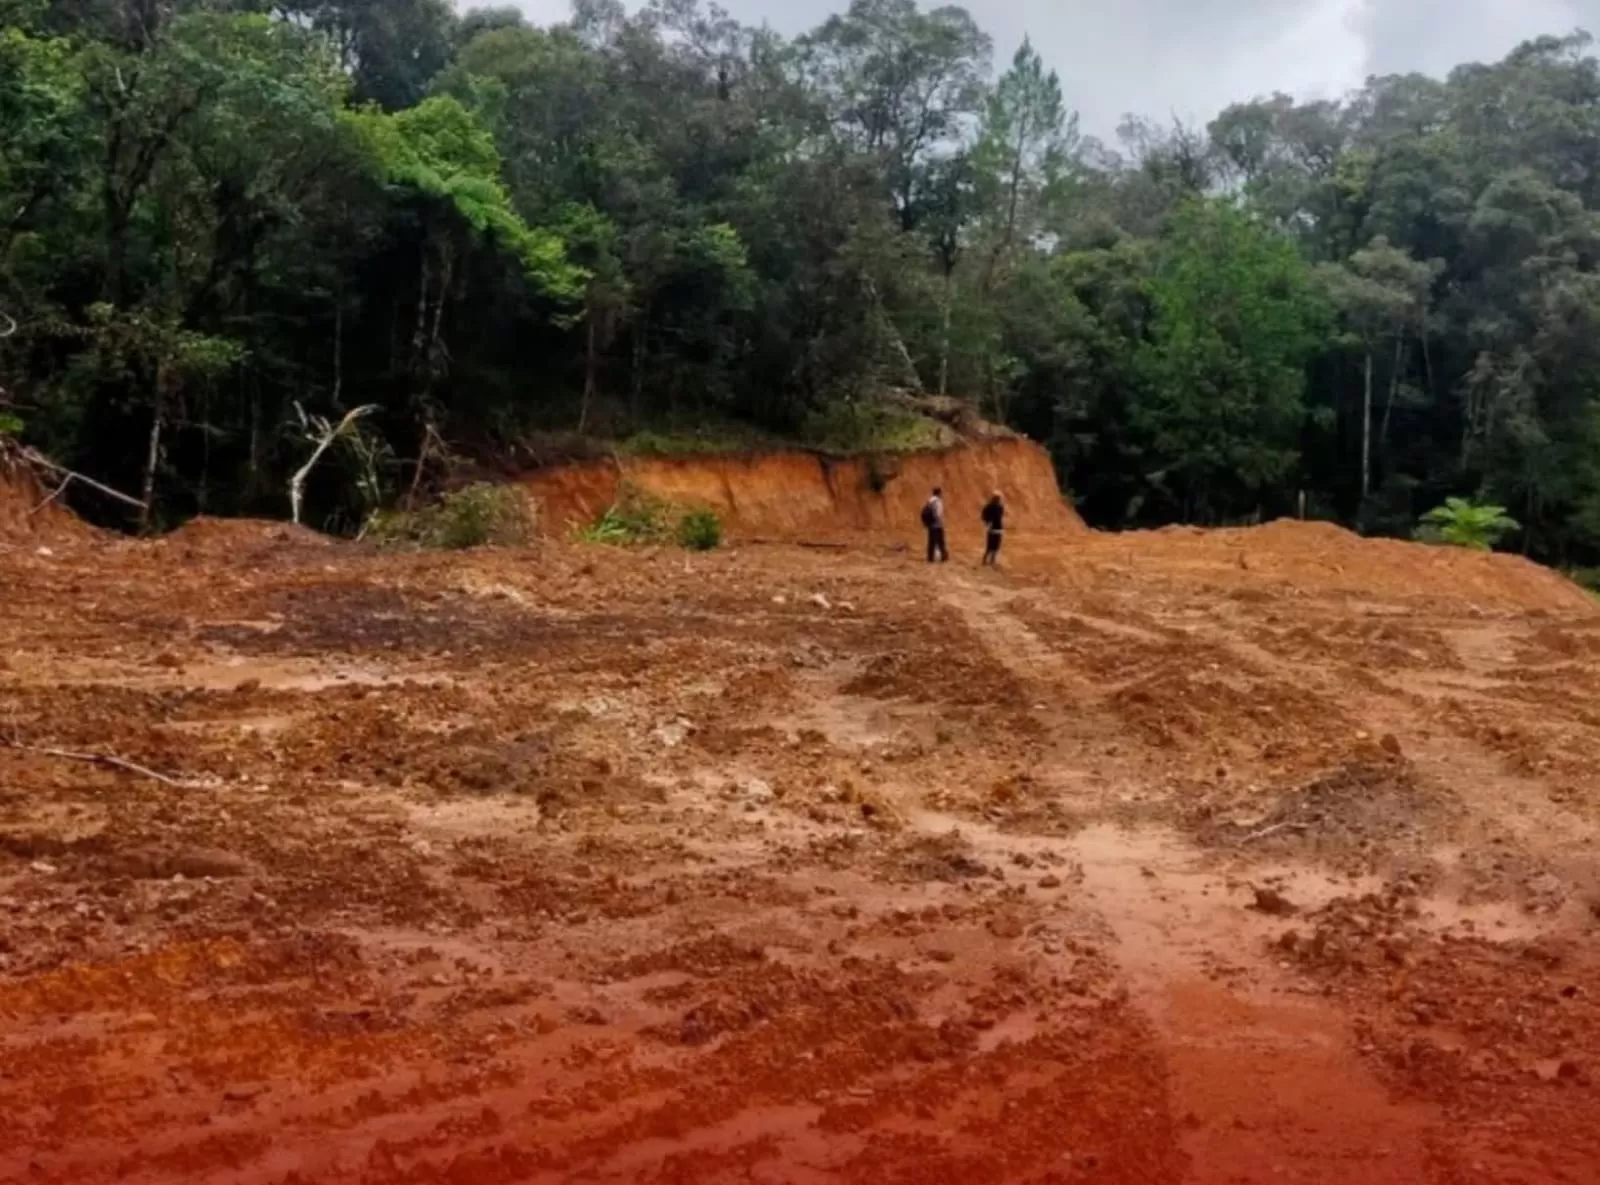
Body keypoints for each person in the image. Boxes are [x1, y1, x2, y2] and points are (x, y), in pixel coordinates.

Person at [921, 487, 948, 563]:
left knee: (931, 542)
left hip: (930, 524)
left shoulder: (930, 501)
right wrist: (940, 522)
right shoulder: (938, 501)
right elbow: (938, 514)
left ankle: (930, 558)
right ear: (939, 493)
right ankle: (943, 557)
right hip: (937, 524)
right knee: (940, 541)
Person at [981, 490, 1005, 566]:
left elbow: (1000, 516)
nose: (998, 499)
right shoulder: (989, 506)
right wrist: (987, 522)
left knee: (996, 546)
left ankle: (992, 560)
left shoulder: (1000, 507)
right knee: (990, 546)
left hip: (998, 528)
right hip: (992, 528)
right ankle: (985, 559)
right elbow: (984, 515)